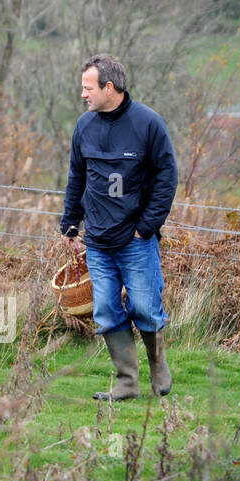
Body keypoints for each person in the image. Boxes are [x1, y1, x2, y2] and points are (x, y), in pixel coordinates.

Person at [60, 53, 177, 401]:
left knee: (145, 307)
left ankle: (158, 364)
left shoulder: (148, 125)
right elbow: (76, 176)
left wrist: (146, 227)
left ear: (109, 87)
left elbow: (167, 178)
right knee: (107, 311)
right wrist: (70, 222)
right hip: (97, 240)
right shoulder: (84, 126)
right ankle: (126, 381)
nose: (83, 94)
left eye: (88, 87)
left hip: (136, 239)